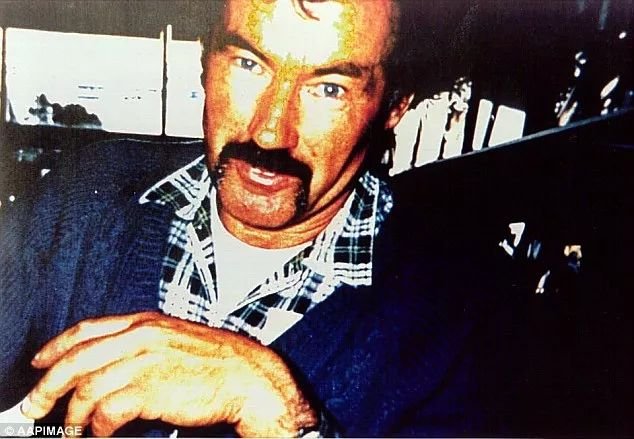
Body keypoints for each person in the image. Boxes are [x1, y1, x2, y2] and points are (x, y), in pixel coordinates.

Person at [0, 0, 510, 436]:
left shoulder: (467, 309)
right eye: (249, 63)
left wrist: (284, 420)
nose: (270, 132)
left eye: (329, 88)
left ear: (394, 107)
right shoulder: (78, 198)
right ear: (205, 62)